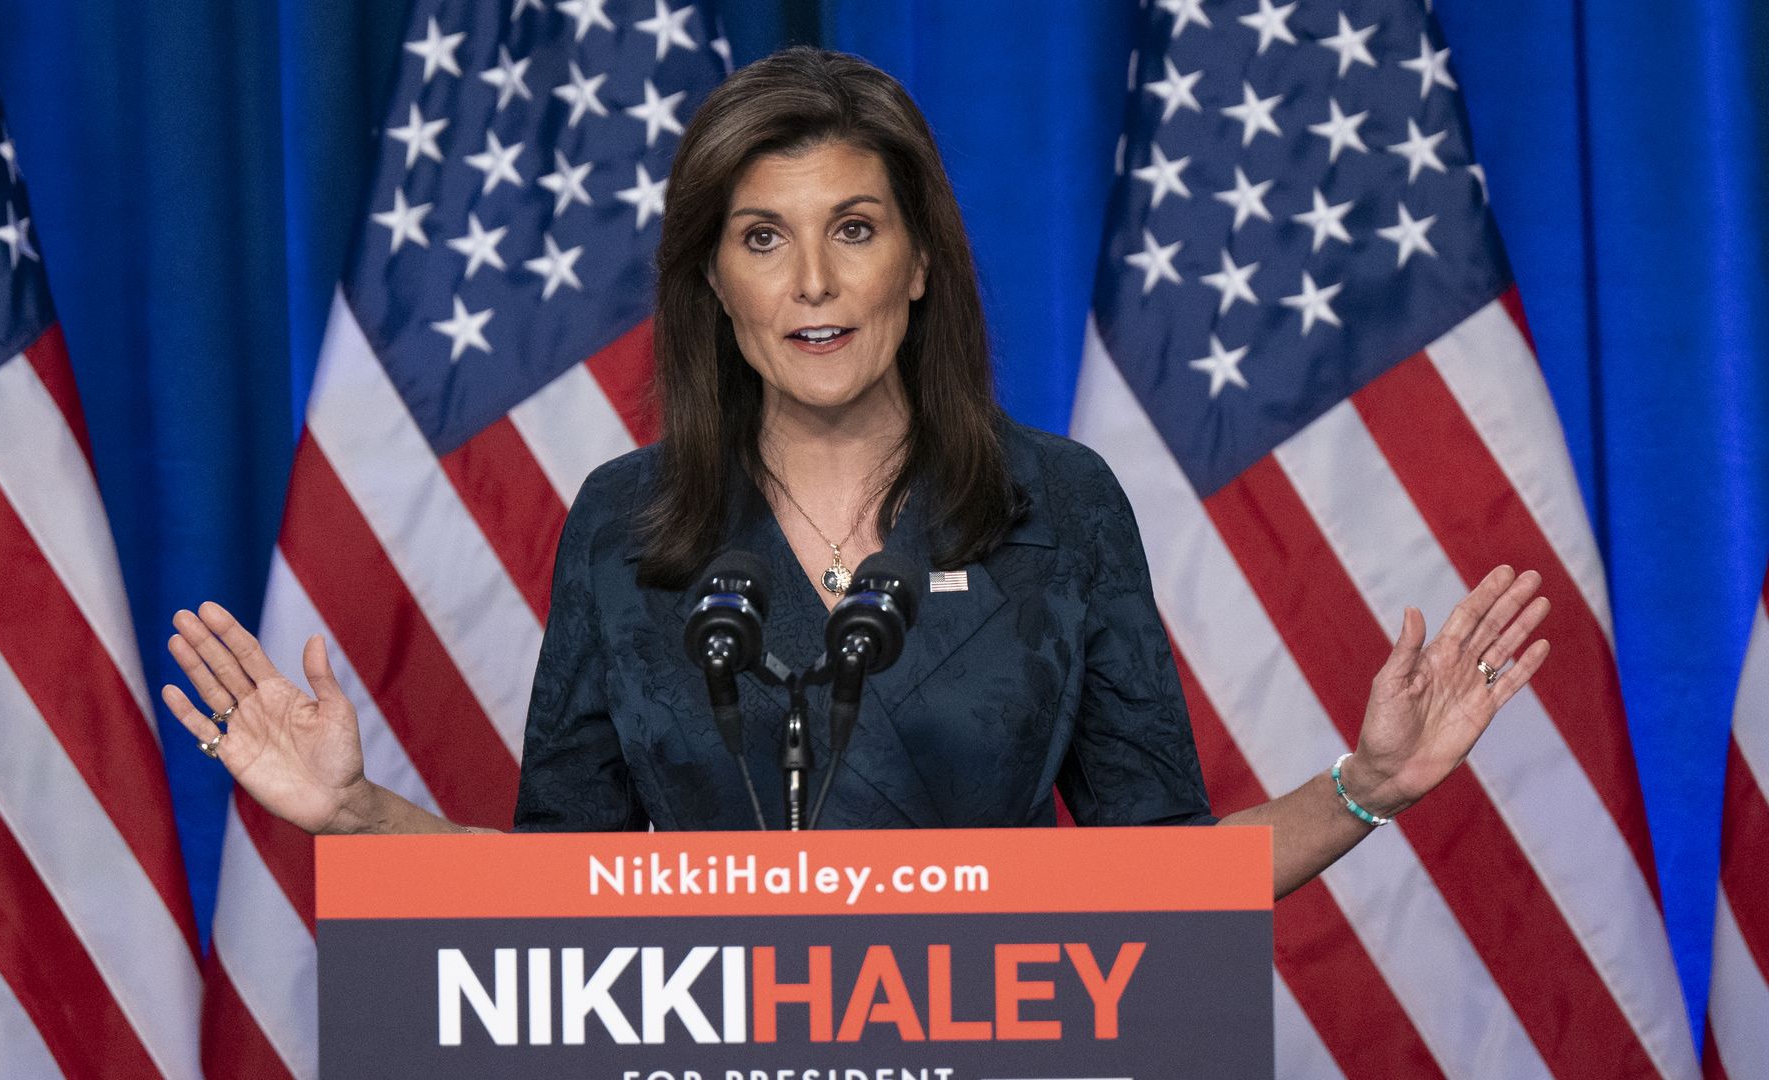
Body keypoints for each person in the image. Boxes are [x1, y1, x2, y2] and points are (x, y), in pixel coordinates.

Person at [162, 48, 1550, 900]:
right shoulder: (626, 527)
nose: (814, 282)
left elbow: (1157, 889)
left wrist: (1365, 786)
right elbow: (563, 897)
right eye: (762, 238)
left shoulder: (1056, 508)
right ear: (713, 281)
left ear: (921, 260)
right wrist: (355, 812)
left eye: (855, 228)